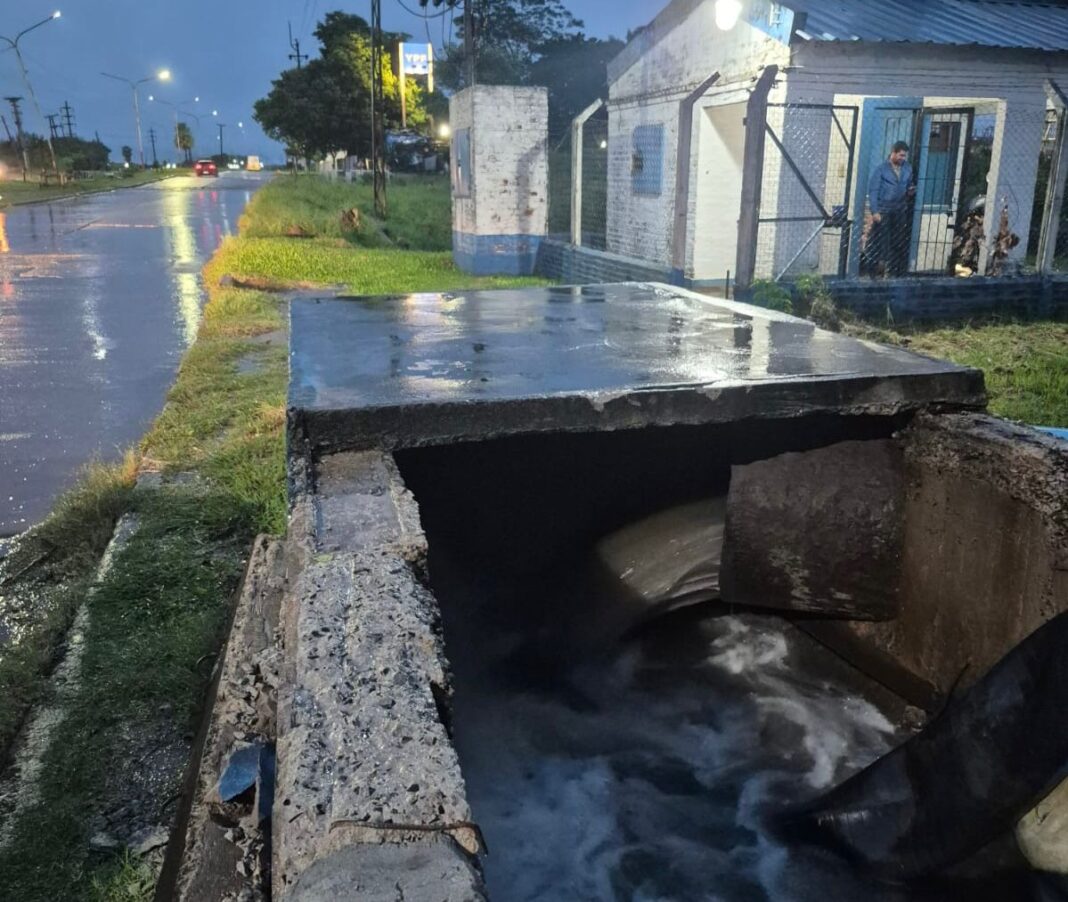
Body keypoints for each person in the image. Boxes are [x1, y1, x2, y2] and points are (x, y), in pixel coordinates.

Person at [865, 141, 916, 277]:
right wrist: (875, 211)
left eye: (904, 156)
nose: (902, 159)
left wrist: (910, 190)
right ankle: (873, 270)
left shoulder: (907, 168)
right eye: (900, 155)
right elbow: (873, 191)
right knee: (879, 241)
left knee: (897, 241)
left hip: (899, 210)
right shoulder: (881, 170)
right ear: (893, 153)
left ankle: (892, 272)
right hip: (884, 210)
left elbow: (909, 185)